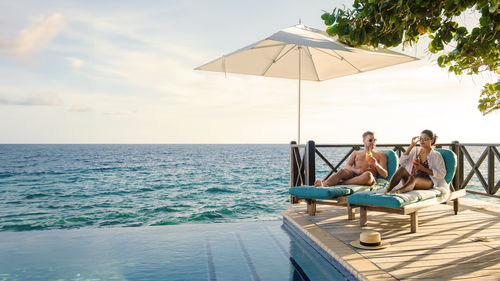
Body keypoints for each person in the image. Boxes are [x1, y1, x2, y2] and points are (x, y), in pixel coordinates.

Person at [314, 131, 388, 187]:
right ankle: (324, 184)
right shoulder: (356, 153)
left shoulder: (380, 155)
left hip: (368, 178)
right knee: (342, 171)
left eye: (374, 140)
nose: (373, 143)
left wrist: (376, 165)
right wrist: (356, 170)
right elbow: (347, 166)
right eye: (370, 140)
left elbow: (385, 175)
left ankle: (341, 183)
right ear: (364, 141)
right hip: (354, 175)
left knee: (368, 175)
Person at [385, 129, 446, 194]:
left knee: (413, 178)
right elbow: (401, 162)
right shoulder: (415, 151)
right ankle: (388, 190)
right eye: (420, 138)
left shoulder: (436, 155)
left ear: (432, 140)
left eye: (425, 139)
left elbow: (441, 174)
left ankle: (397, 192)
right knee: (402, 169)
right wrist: (411, 146)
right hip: (411, 181)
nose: (422, 140)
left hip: (427, 182)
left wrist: (423, 169)